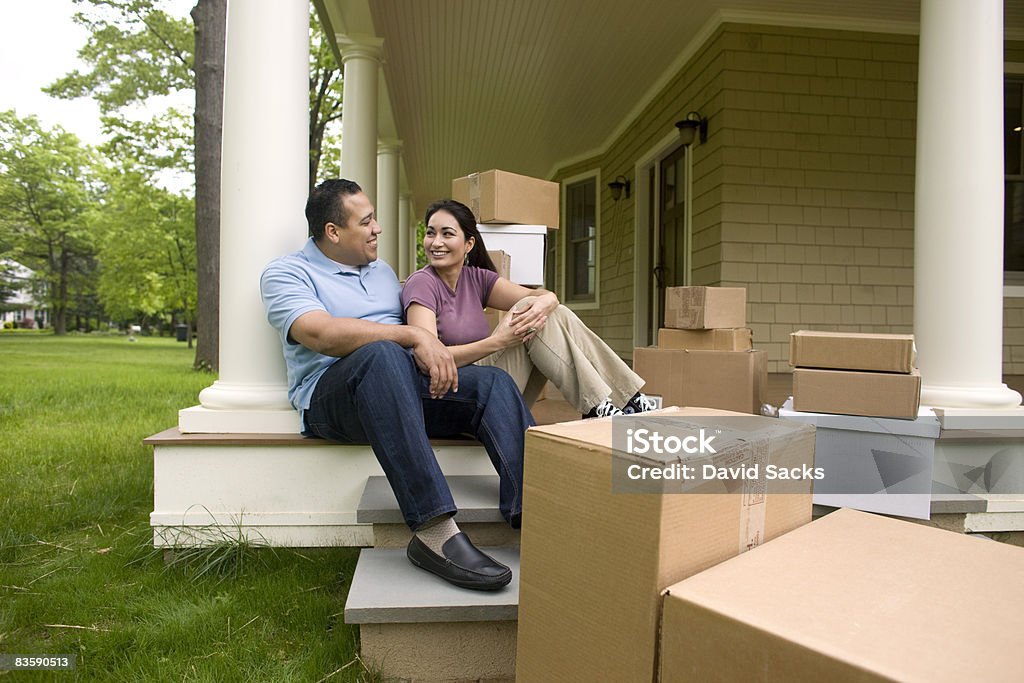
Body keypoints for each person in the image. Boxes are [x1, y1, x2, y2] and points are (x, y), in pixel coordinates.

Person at [260, 180, 534, 592]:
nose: (377, 229)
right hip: (333, 399)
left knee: (492, 383)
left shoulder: (382, 271)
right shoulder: (286, 273)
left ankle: (532, 515)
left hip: (403, 386)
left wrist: (435, 349)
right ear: (333, 232)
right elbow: (322, 334)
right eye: (367, 221)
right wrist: (415, 338)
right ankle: (435, 532)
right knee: (383, 354)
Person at [401, 198, 658, 419]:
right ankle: (608, 403)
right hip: (454, 395)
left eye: (447, 233)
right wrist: (498, 342)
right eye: (431, 233)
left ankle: (625, 401)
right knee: (531, 310)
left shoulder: (475, 278)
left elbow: (540, 298)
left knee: (547, 311)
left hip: (491, 387)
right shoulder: (423, 284)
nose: (435, 242)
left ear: (469, 244)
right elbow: (429, 361)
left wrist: (550, 299)